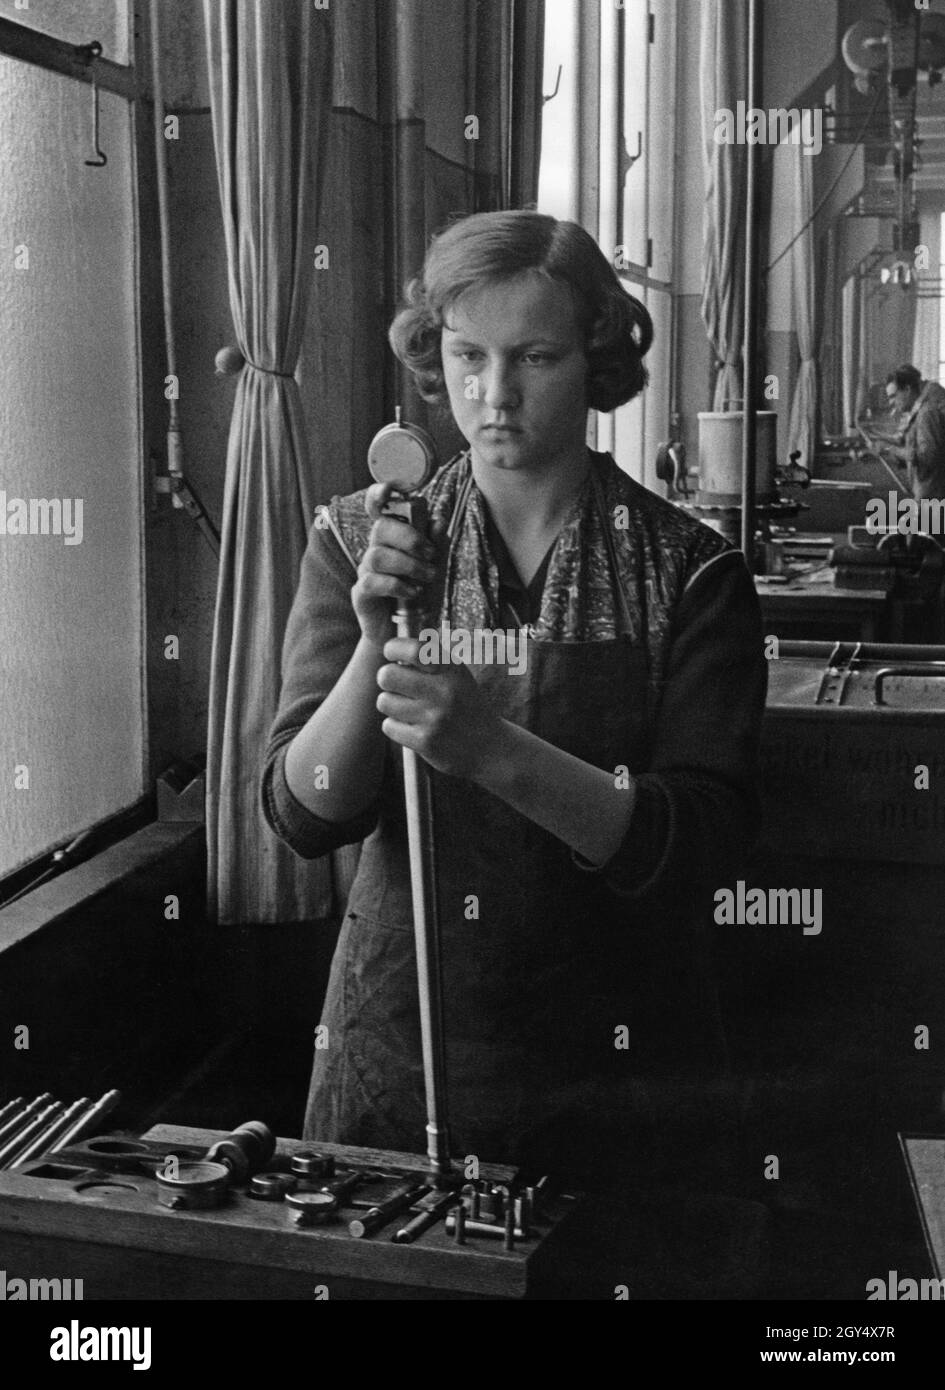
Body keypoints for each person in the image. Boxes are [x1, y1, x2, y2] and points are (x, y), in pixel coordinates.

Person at [261, 210, 767, 1196]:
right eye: (467, 356)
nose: (493, 396)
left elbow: (701, 838)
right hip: (404, 1059)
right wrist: (373, 647)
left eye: (533, 356)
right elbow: (301, 815)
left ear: (595, 359)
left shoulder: (691, 573)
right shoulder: (355, 540)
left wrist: (491, 748)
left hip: (625, 1067)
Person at [868, 365, 945, 501]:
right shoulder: (918, 414)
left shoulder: (926, 414)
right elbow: (914, 457)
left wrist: (889, 448)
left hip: (933, 498)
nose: (892, 403)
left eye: (893, 396)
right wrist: (888, 450)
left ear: (907, 389)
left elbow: (928, 458)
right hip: (927, 496)